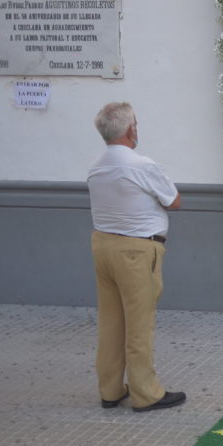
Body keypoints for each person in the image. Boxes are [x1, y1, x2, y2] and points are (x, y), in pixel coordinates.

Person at [87, 102, 186, 412]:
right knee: (139, 323)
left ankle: (111, 389)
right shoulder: (141, 164)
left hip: (103, 245)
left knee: (111, 321)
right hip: (137, 250)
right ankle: (146, 393)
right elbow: (174, 201)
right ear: (131, 130)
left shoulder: (96, 166)